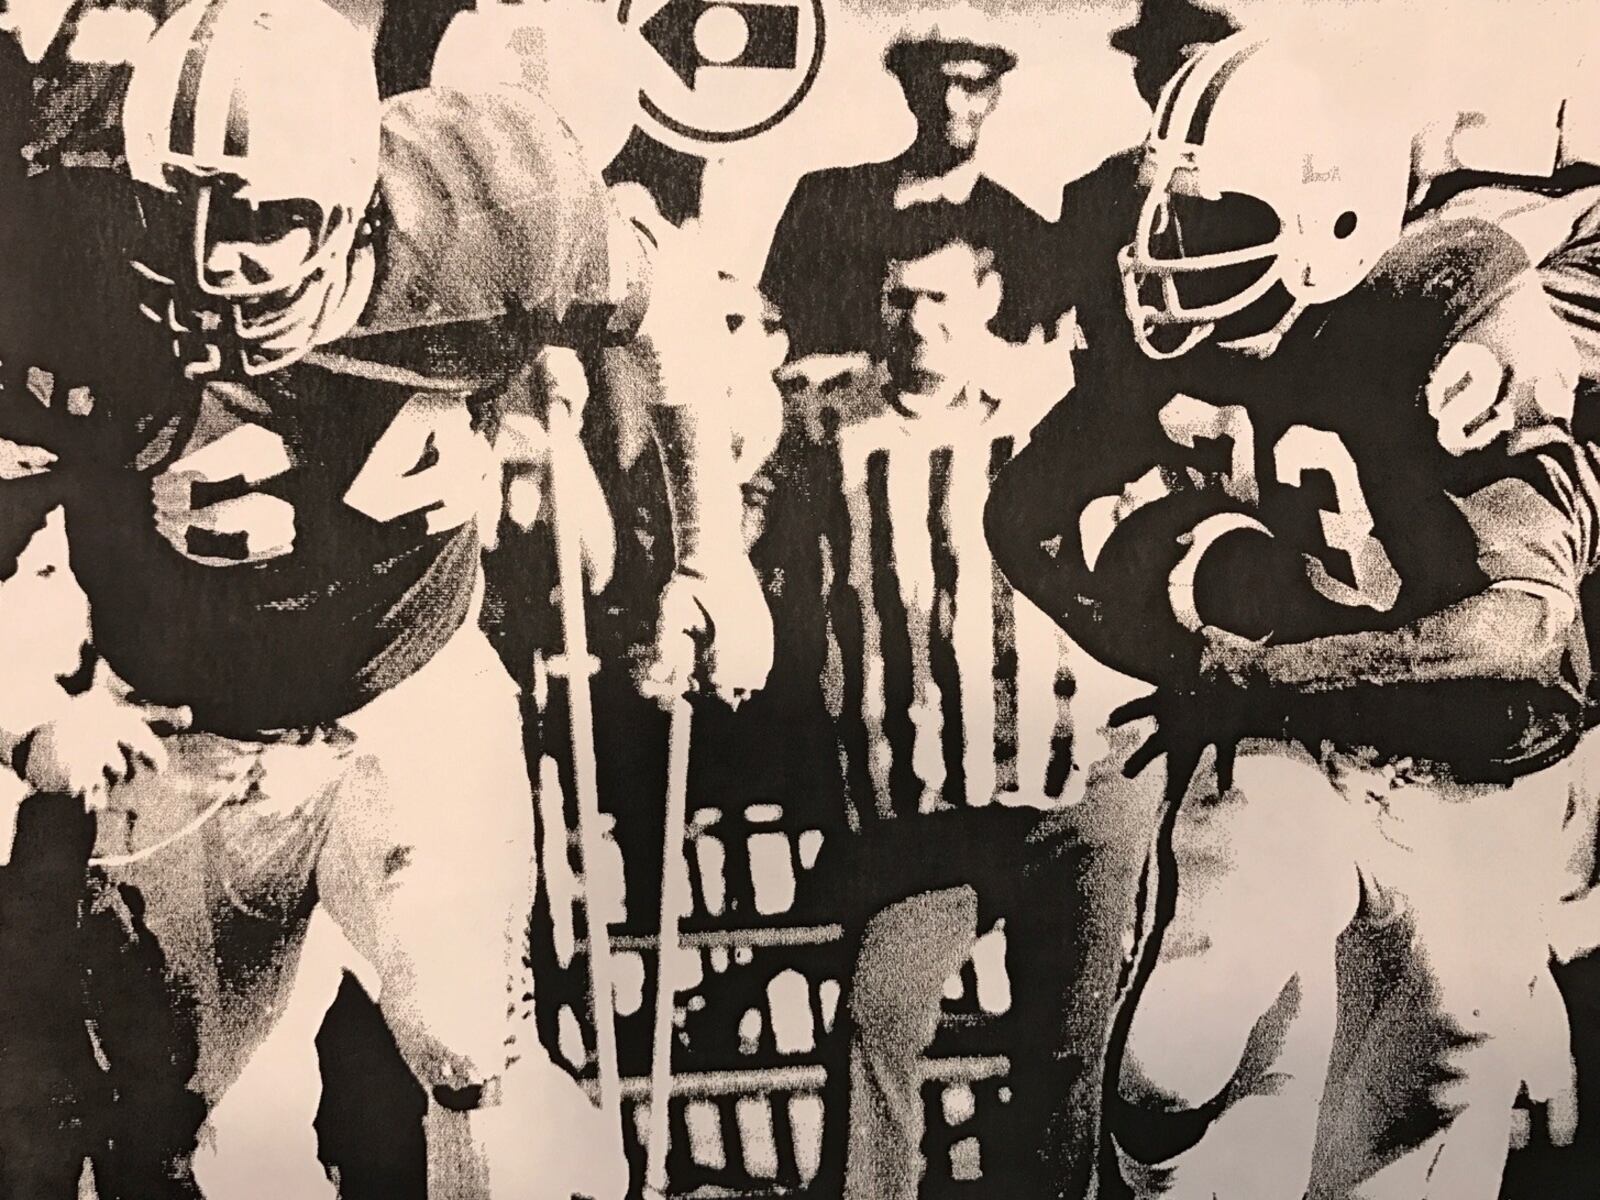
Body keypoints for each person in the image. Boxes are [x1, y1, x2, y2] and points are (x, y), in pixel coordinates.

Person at [0, 2, 771, 1198]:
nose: (218, 263)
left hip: (411, 694)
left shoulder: (492, 200)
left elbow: (666, 317)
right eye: (178, 212)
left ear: (358, 194)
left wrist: (711, 556)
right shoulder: (59, 260)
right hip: (182, 728)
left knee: (470, 1063)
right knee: (194, 1134)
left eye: (260, 220)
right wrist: (24, 713)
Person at [986, 31, 1600, 1200]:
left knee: (1416, 1113)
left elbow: (1515, 635)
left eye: (1210, 230)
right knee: (1177, 1068)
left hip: (1489, 769)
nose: (1165, 264)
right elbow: (1025, 518)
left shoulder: (1453, 308)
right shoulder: (1177, 345)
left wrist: (1250, 672)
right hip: (1297, 742)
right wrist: (1175, 630)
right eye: (1162, 224)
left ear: (1339, 230)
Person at [751, 221, 1081, 1198]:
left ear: (986, 298)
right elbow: (744, 506)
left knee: (1071, 1051)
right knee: (875, 1018)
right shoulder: (828, 423)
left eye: (942, 298)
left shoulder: (1048, 407)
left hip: (1068, 782)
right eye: (902, 299)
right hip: (923, 803)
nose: (920, 321)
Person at [760, 28, 1062, 371]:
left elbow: (1026, 369)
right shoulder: (823, 198)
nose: (950, 103)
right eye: (935, 83)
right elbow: (769, 332)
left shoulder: (1027, 235)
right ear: (908, 89)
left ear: (994, 95)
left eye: (971, 86)